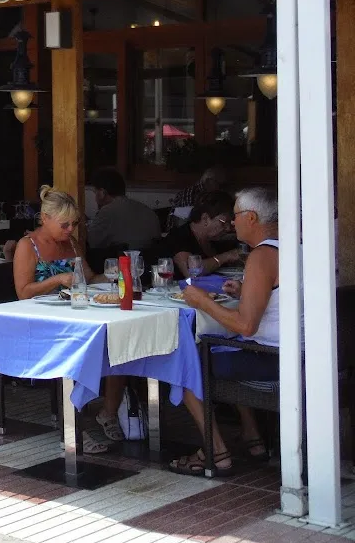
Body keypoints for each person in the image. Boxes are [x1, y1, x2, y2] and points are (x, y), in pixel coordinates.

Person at [170, 187, 280, 476]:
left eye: (235, 217)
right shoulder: (292, 247)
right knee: (224, 344)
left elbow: (246, 325)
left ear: (252, 218)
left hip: (274, 358)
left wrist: (202, 301)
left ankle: (216, 451)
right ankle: (253, 437)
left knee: (185, 360)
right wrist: (247, 291)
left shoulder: (262, 256)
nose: (231, 224)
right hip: (298, 351)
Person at [13, 186, 124, 451]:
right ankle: (73, 429)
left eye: (74, 223)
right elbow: (23, 293)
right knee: (79, 352)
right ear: (45, 219)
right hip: (40, 323)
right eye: (64, 224)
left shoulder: (71, 243)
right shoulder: (27, 246)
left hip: (72, 316)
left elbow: (87, 277)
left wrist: (110, 276)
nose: (69, 230)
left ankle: (107, 412)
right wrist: (57, 279)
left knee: (119, 344)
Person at [157, 191, 241, 280]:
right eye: (224, 223)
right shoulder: (179, 237)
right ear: (205, 218)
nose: (228, 228)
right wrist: (226, 257)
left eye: (230, 223)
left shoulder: (214, 240)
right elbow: (191, 271)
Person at [86, 167, 162, 251]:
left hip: (119, 262)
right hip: (149, 261)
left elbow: (92, 243)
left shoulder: (107, 212)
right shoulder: (148, 211)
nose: (95, 198)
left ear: (102, 193)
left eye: (95, 192)